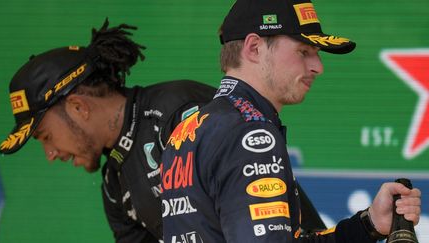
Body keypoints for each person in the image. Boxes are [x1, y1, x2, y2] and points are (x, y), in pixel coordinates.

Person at [160, 0, 422, 242]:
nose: (318, 66)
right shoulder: (251, 133)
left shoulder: (191, 127)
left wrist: (368, 224)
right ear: (254, 48)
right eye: (304, 51)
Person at [0, 19, 216, 242]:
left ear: (78, 107)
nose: (51, 154)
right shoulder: (114, 185)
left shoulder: (178, 114)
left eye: (46, 137)